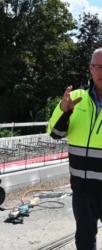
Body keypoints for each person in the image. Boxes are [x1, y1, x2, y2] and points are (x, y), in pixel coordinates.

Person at [47, 47, 102, 250]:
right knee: (85, 242)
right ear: (90, 68)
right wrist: (64, 112)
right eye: (98, 67)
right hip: (83, 190)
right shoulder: (75, 99)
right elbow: (54, 134)